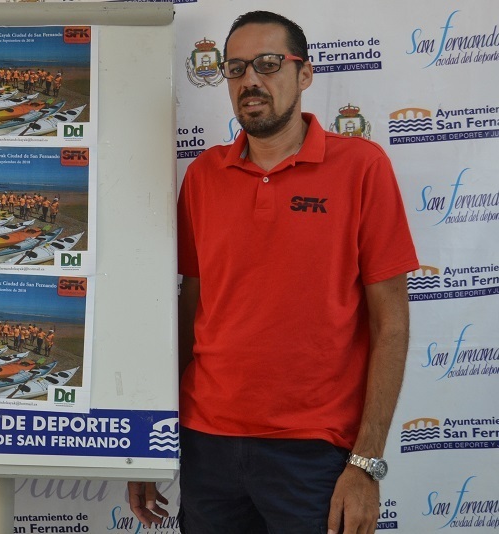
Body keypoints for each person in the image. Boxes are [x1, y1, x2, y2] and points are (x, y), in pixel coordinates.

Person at [129, 11, 418, 534]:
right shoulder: (203, 176)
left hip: (314, 453)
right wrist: (150, 446)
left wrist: (366, 462)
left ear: (304, 74)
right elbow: (188, 311)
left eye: (267, 64)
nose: (250, 80)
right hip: (206, 444)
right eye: (236, 68)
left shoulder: (362, 167)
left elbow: (391, 324)